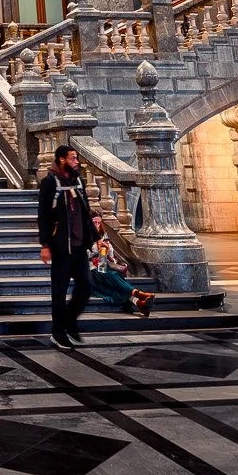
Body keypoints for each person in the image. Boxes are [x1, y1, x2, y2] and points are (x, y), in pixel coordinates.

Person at [37, 143, 103, 348]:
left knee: (85, 287)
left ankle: (69, 321)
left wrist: (93, 236)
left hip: (79, 245)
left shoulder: (78, 181)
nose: (77, 162)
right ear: (62, 159)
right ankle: (58, 332)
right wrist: (45, 244)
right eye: (73, 158)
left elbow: (86, 210)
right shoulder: (50, 182)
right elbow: (43, 215)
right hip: (60, 247)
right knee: (59, 291)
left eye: (76, 158)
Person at [88, 233, 154, 319]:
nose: (96, 225)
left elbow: (109, 262)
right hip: (89, 273)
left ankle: (139, 303)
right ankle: (138, 294)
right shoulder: (83, 239)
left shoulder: (104, 239)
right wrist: (94, 250)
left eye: (98, 223)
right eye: (94, 223)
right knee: (107, 275)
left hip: (103, 270)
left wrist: (106, 251)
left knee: (111, 276)